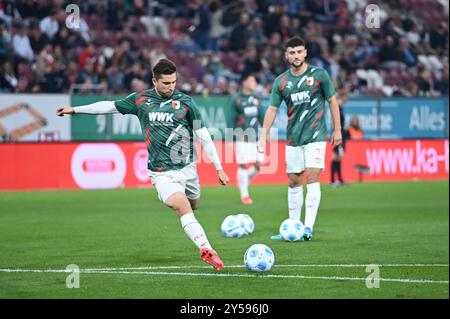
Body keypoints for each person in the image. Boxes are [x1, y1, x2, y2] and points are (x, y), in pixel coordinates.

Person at [56, 58, 230, 270]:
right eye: (166, 83)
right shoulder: (140, 100)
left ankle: (192, 223)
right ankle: (207, 248)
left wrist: (219, 167)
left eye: (174, 82)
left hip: (188, 168)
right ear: (154, 81)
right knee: (182, 206)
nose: (171, 87)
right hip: (161, 172)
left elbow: (203, 136)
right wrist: (75, 109)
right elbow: (108, 106)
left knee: (193, 205)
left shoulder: (186, 102)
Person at [257, 36, 342, 241]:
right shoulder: (281, 81)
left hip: (316, 135)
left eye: (299, 52)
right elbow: (272, 109)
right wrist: (263, 136)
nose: (296, 56)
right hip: (294, 138)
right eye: (292, 52)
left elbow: (332, 101)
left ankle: (307, 228)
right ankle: (293, 226)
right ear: (286, 55)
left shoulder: (319, 75)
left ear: (305, 53)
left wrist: (337, 129)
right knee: (294, 181)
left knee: (312, 177)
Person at [230, 73, 264, 205]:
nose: (254, 82)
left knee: (258, 165)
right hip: (242, 136)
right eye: (251, 80)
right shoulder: (236, 99)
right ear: (244, 82)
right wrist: (229, 137)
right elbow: (230, 119)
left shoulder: (257, 98)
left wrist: (266, 133)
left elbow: (262, 117)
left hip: (256, 137)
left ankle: (243, 181)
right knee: (243, 165)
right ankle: (244, 194)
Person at [330, 90, 348, 187]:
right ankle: (333, 180)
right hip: (338, 134)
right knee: (335, 157)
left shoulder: (340, 108)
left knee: (339, 158)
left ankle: (339, 180)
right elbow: (334, 123)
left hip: (341, 134)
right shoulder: (337, 107)